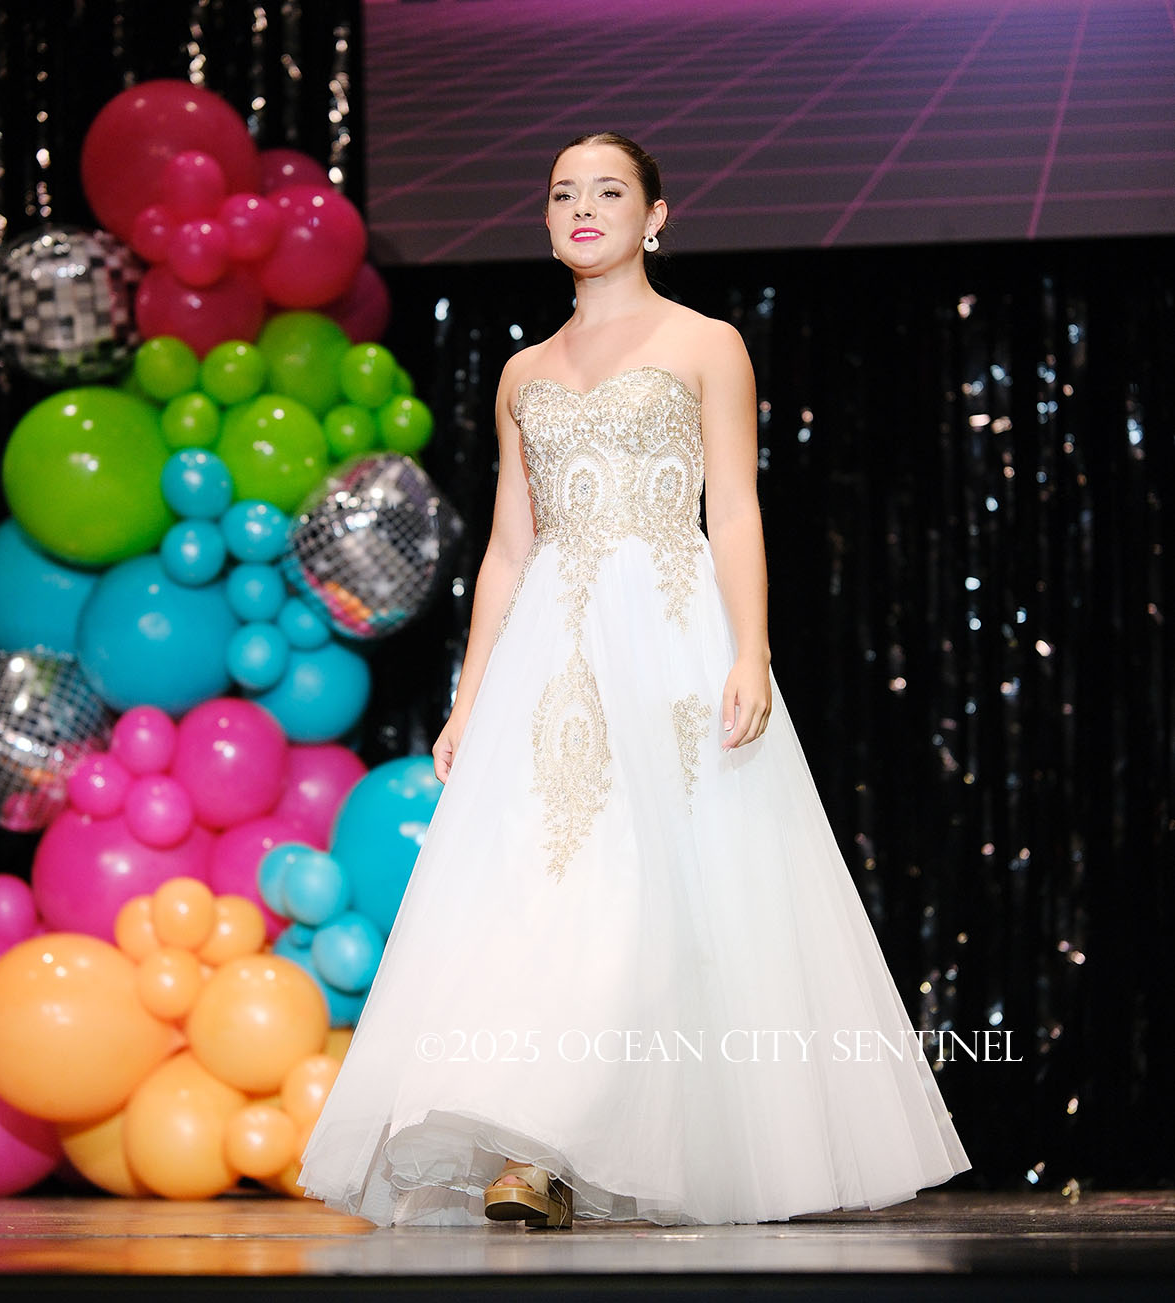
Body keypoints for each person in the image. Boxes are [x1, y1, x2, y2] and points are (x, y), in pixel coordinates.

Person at [297, 132, 972, 1229]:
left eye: (608, 191)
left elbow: (734, 508)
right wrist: (470, 694)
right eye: (564, 192)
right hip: (548, 659)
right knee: (543, 884)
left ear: (653, 216)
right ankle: (531, 1151)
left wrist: (749, 649)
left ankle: (630, 1143)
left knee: (664, 891)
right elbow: (508, 546)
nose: (583, 207)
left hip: (667, 637)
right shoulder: (523, 373)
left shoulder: (706, 343)